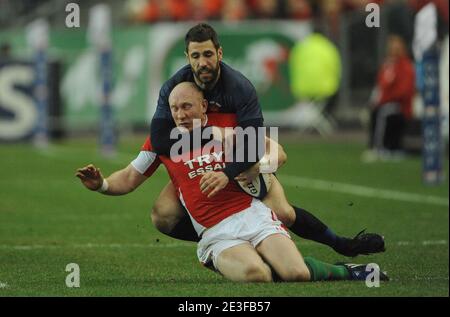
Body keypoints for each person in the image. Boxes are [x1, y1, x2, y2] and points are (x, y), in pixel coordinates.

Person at [76, 82, 389, 282]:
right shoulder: (162, 141)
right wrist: (102, 184)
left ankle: (347, 270)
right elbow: (129, 178)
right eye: (174, 108)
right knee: (258, 275)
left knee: (296, 273)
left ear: (204, 106)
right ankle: (219, 257)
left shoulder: (226, 127)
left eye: (187, 106)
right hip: (216, 231)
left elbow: (277, 152)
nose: (180, 114)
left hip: (254, 214)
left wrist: (256, 168)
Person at [149, 22, 385, 257]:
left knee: (284, 211)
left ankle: (343, 245)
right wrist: (210, 135)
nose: (202, 63)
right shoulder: (175, 88)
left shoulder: (240, 87)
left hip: (237, 158)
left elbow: (252, 145)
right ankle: (231, 237)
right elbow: (159, 142)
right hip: (198, 165)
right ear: (187, 57)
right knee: (162, 215)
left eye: (208, 54)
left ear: (219, 53)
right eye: (196, 56)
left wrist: (231, 170)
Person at [363, 34, 416, 162]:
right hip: (387, 102)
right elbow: (381, 85)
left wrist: (385, 100)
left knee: (383, 112)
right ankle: (385, 146)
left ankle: (377, 148)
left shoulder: (406, 66)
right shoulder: (387, 65)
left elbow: (404, 91)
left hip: (401, 105)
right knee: (375, 111)